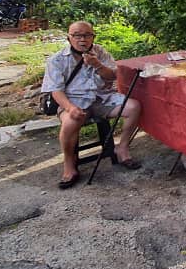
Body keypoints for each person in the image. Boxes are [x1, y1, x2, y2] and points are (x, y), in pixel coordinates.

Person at [42, 21, 142, 189]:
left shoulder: (100, 52)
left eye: (87, 35)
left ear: (93, 37)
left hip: (101, 98)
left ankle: (122, 148)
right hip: (73, 101)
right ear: (69, 38)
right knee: (70, 122)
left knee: (133, 107)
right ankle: (69, 164)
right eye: (77, 35)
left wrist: (97, 65)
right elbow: (56, 91)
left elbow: (112, 76)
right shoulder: (57, 60)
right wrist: (70, 108)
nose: (83, 39)